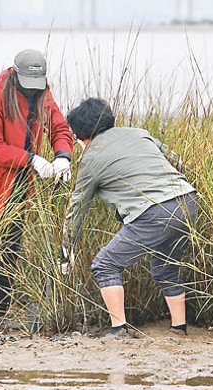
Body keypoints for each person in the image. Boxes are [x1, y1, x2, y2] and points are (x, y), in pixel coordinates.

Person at [0, 49, 74, 327]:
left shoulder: (43, 95)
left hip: (20, 187)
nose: (33, 90)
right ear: (15, 74)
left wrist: (62, 157)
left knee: (10, 251)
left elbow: (60, 128)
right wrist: (32, 159)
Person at [62, 97, 198, 337]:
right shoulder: (138, 133)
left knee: (105, 264)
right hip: (187, 201)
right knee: (166, 267)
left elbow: (77, 208)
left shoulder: (90, 159)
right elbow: (177, 161)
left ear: (81, 134)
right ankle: (179, 329)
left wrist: (66, 249)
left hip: (153, 213)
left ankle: (119, 330)